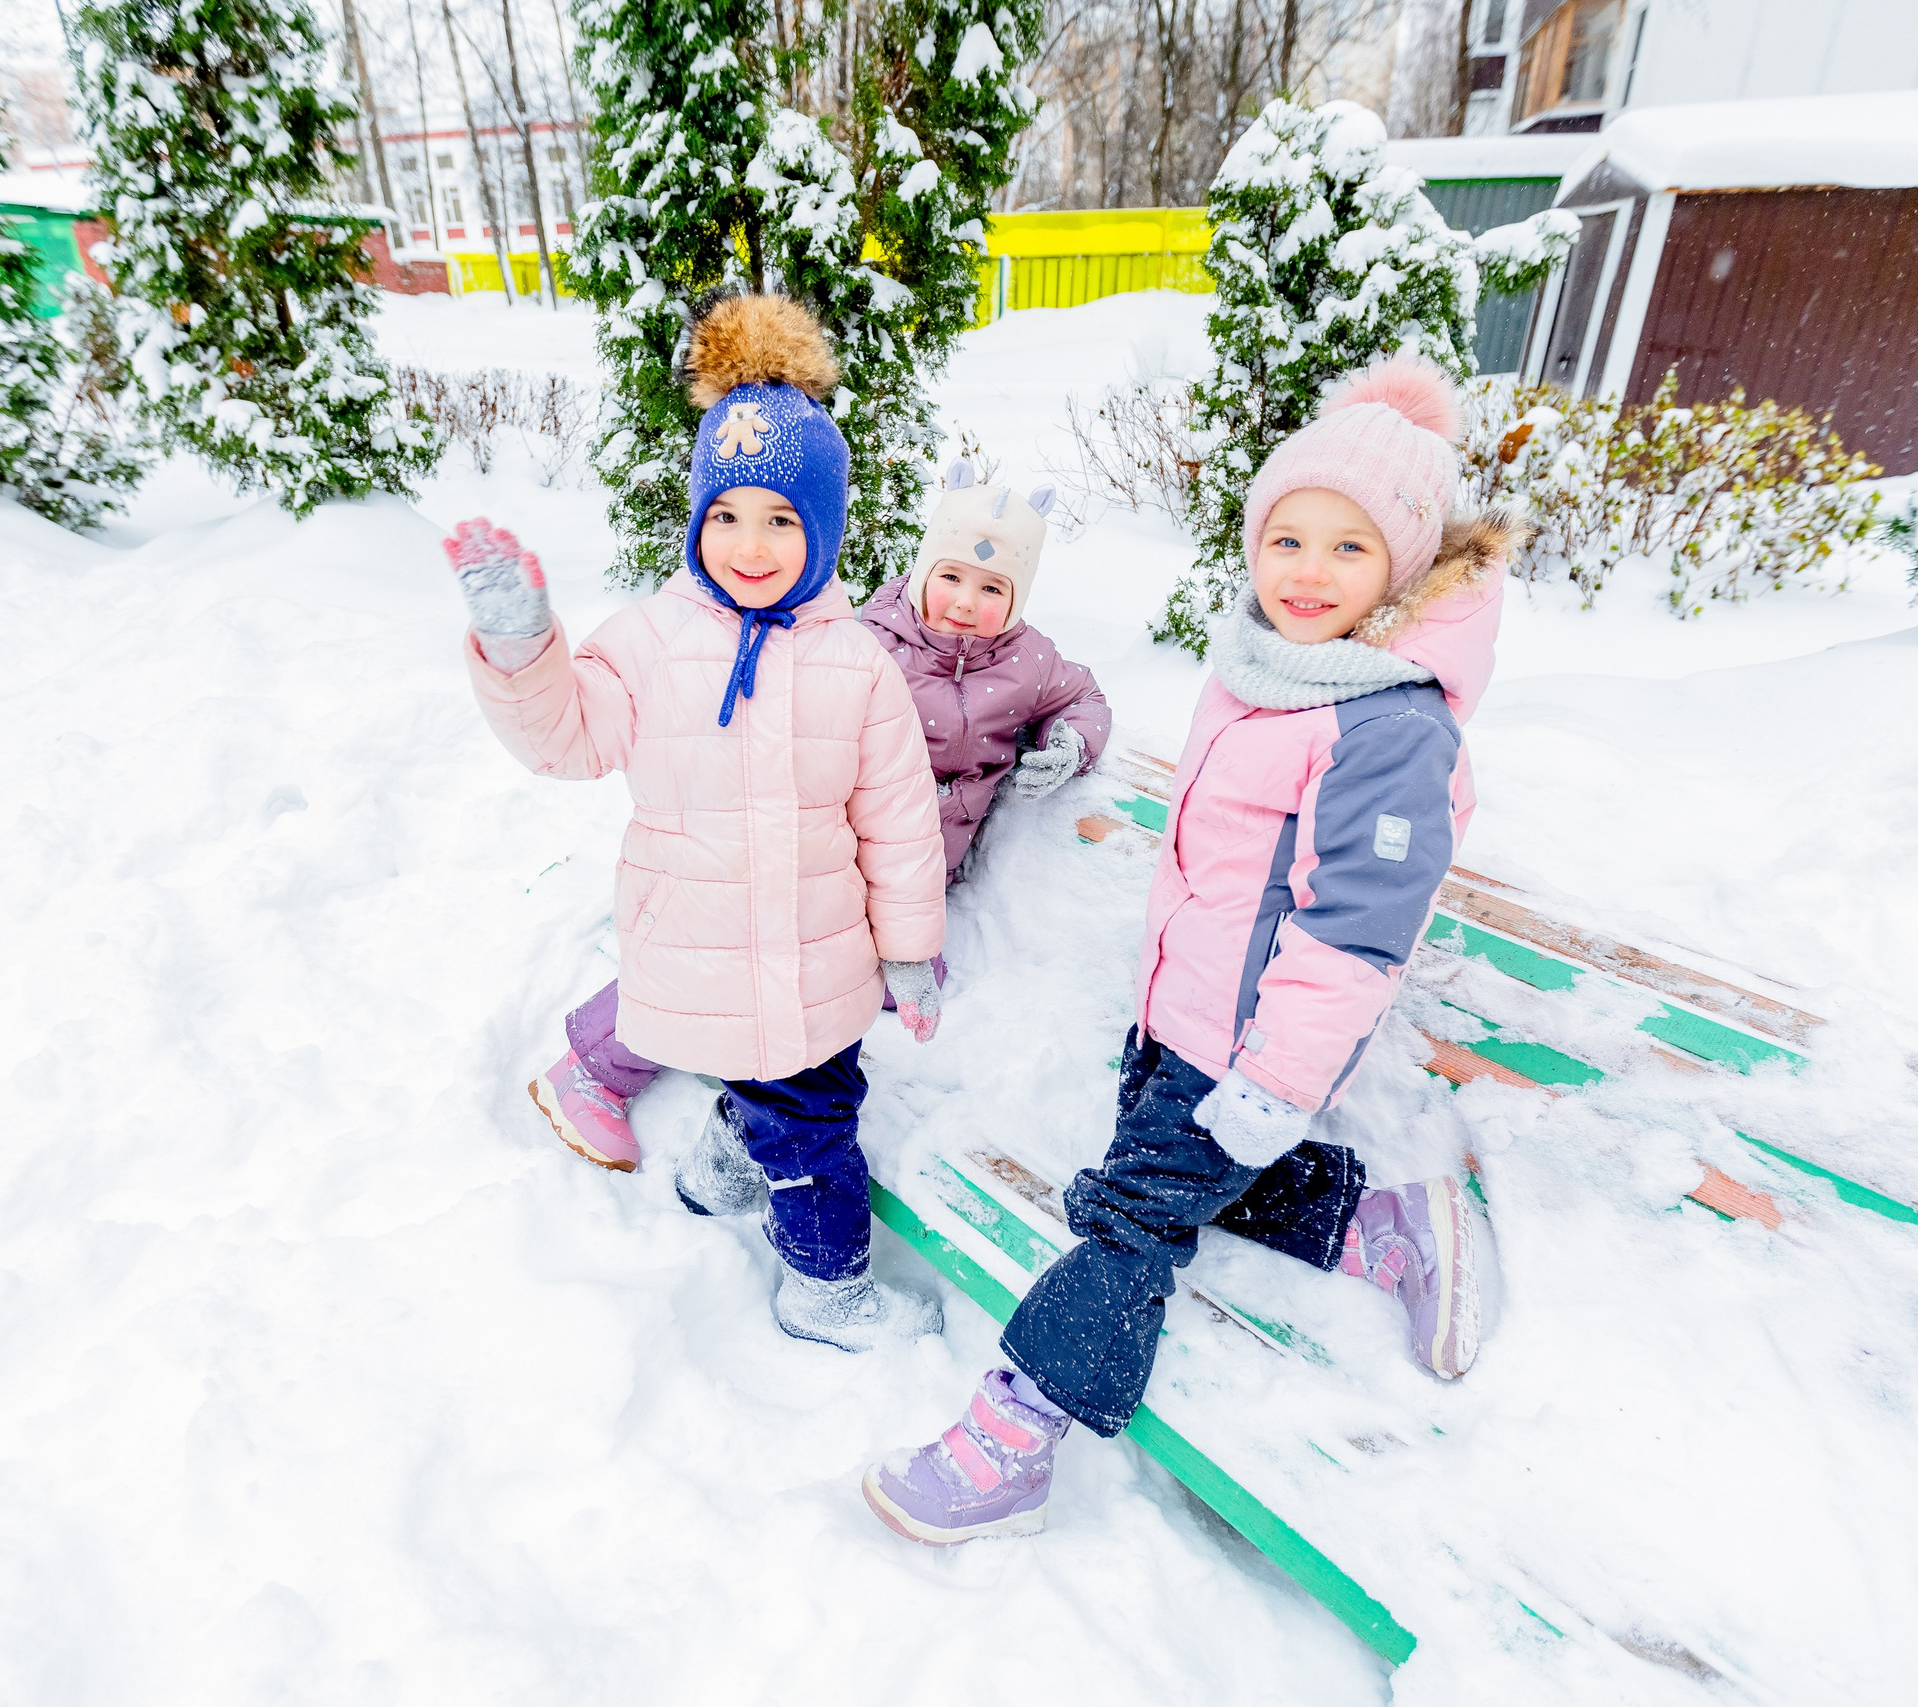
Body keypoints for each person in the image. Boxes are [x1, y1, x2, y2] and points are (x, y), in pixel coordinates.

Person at [861, 355, 1525, 1543]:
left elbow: (1352, 936)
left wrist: (1274, 1082)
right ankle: (1384, 1224)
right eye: (1287, 540)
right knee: (1164, 1178)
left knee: (1127, 1223)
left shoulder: (1390, 726)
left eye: (1348, 548)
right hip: (1186, 1021)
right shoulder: (1274, 670)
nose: (1307, 572)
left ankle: (1020, 1430)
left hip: (1253, 1043)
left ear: (1406, 567)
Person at [451, 291, 947, 1351]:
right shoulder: (649, 639)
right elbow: (566, 741)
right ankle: (825, 1292)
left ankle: (719, 1174)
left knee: (803, 1087)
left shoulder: (855, 660)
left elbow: (899, 817)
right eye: (725, 515)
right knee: (816, 1132)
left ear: (823, 528)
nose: (750, 544)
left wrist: (909, 950)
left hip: (813, 963)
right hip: (697, 945)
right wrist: (520, 648)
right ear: (694, 517)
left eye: (780, 519)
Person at [531, 462, 1111, 1181]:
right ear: (923, 567)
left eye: (993, 588)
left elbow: (1083, 696)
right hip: (816, 859)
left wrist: (1071, 741)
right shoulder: (866, 639)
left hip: (906, 880)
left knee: (817, 991)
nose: (965, 602)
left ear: (1019, 598)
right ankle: (596, 1065)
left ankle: (760, 1124)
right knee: (724, 964)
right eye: (951, 576)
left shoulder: (1026, 663)